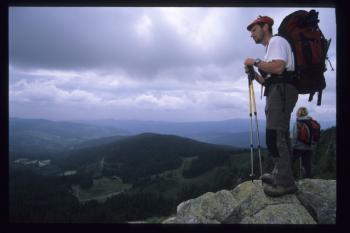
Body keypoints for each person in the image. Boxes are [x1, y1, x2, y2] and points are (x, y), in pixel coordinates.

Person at [244, 15, 298, 197]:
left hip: (282, 92)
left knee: (275, 137)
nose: (252, 34)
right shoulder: (271, 49)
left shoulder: (276, 41)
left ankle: (285, 183)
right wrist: (254, 74)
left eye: (254, 29)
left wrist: (256, 62)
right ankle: (280, 174)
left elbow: (279, 68)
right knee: (277, 136)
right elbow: (268, 81)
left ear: (265, 27)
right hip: (277, 91)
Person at [291, 107, 314, 178]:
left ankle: (290, 176)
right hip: (309, 147)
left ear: (298, 113)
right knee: (307, 165)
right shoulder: (311, 122)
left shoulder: (298, 123)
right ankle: (309, 179)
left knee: (290, 161)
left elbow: (294, 136)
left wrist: (292, 146)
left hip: (298, 147)